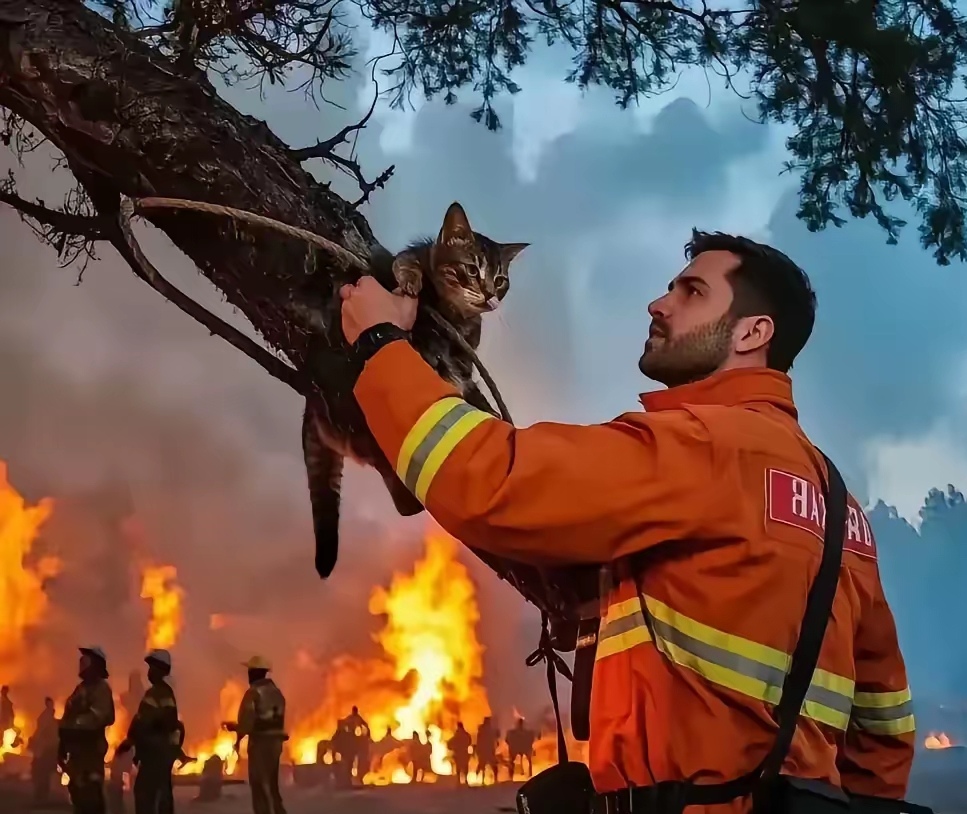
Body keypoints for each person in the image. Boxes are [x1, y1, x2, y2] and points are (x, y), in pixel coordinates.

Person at [337, 232, 916, 812]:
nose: (658, 304)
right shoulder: (840, 509)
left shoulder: (702, 446)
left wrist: (380, 342)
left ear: (752, 333)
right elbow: (884, 728)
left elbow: (487, 479)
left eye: (691, 291)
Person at [116, 649, 184, 814]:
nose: (149, 672)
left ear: (161, 669)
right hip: (151, 755)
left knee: (150, 797)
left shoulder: (163, 693)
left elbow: (166, 723)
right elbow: (141, 720)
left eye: (152, 668)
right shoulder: (154, 693)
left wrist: (140, 736)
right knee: (150, 795)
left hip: (156, 756)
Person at [223, 656, 287, 814]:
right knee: (272, 785)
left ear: (254, 673)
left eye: (250, 672)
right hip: (276, 743)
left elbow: (247, 723)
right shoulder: (277, 693)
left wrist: (235, 730)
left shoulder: (253, 693)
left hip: (260, 744)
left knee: (259, 785)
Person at [59, 646, 116, 814]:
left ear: (96, 665)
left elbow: (98, 717)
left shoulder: (101, 689)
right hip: (76, 753)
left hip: (90, 751)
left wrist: (71, 727)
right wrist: (62, 743)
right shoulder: (81, 689)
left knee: (90, 794)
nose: (81, 662)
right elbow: (68, 715)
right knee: (77, 794)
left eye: (86, 659)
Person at [29, 697, 60, 806]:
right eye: (50, 705)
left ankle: (43, 796)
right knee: (43, 773)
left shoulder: (51, 720)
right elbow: (40, 732)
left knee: (46, 773)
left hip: (50, 749)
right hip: (46, 750)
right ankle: (41, 796)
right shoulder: (45, 719)